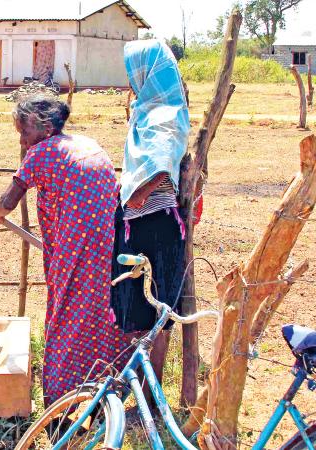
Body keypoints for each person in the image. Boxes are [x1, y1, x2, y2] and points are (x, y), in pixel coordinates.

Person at [0, 95, 129, 406]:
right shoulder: (87, 144)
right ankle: (104, 382)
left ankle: (63, 393)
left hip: (77, 241)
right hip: (109, 240)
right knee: (96, 303)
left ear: (46, 127)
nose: (23, 140)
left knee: (67, 305)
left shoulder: (42, 152)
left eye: (24, 132)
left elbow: (10, 199)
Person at [110, 39, 191, 398]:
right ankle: (140, 393)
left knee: (156, 314)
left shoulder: (167, 113)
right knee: (134, 308)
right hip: (135, 223)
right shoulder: (146, 110)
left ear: (148, 73)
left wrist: (137, 193)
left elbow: (164, 159)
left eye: (134, 71)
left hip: (156, 225)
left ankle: (150, 396)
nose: (130, 79)